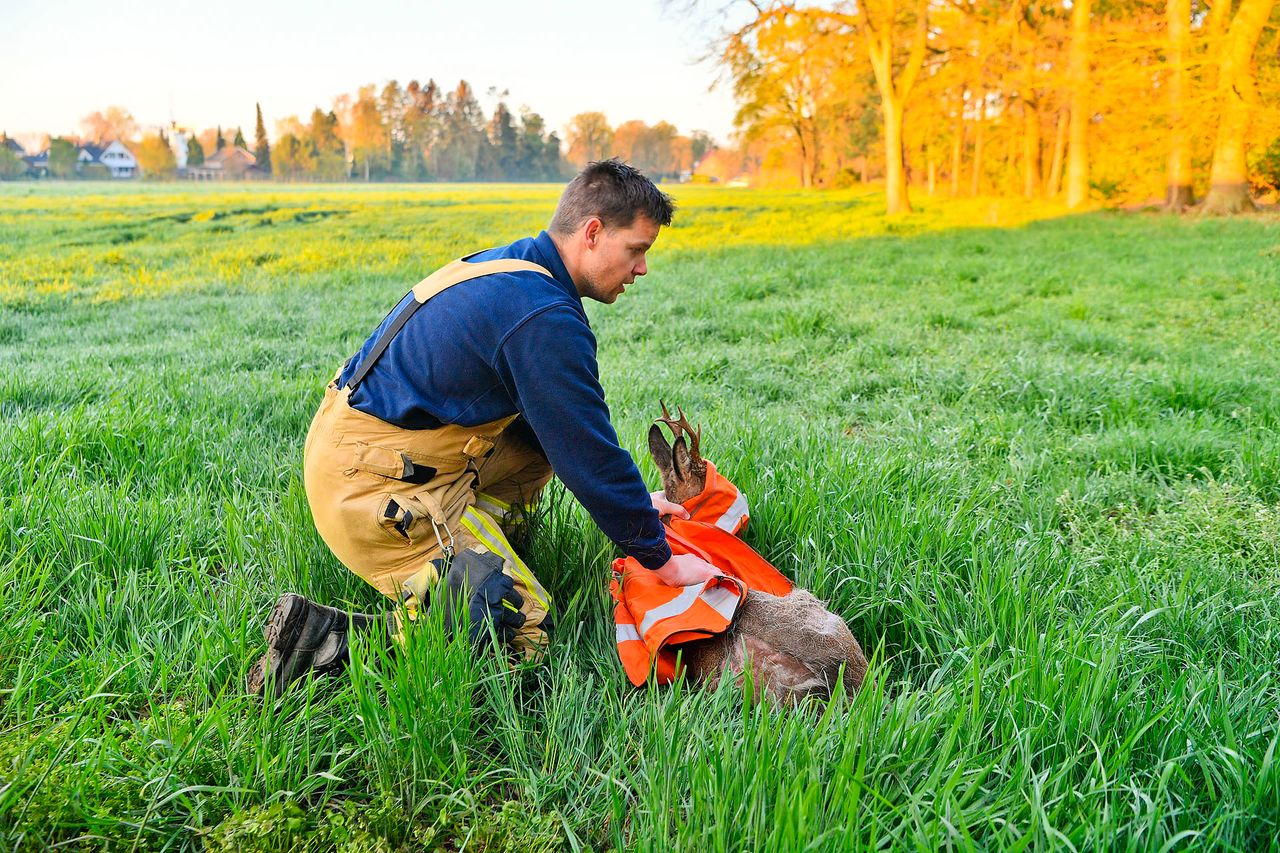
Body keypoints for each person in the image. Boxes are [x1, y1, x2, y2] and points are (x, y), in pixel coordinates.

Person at [248, 159, 722, 695]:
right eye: (637, 249)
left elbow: (564, 435)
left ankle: (475, 552)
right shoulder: (542, 316)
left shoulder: (521, 269)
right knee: (523, 628)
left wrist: (637, 509)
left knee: (533, 441)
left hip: (370, 451)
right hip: (371, 489)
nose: (641, 269)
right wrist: (658, 557)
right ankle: (328, 645)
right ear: (593, 233)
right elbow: (587, 451)